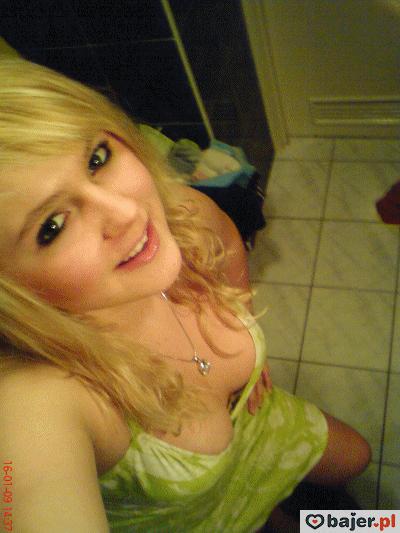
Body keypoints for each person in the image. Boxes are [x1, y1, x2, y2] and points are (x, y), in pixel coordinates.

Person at [0, 57, 371, 533]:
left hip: (260, 424)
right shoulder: (40, 395)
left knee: (359, 467)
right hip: (206, 520)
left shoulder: (177, 211)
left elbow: (228, 242)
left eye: (97, 158)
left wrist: (240, 316)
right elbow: (25, 484)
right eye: (52, 226)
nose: (127, 212)